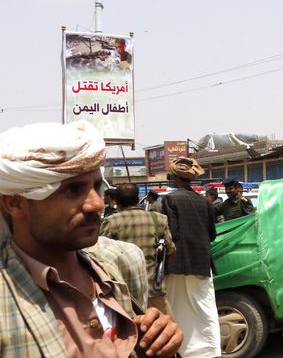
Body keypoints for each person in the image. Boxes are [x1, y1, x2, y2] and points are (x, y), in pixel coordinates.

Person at [0, 121, 182, 357]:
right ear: (15, 203)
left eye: (96, 186)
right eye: (72, 190)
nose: (97, 204)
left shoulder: (118, 263)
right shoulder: (6, 302)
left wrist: (159, 340)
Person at [159, 157, 220, 357]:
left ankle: (182, 350)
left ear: (175, 178)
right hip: (202, 262)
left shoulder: (170, 199)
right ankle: (210, 351)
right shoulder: (205, 202)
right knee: (205, 307)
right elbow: (212, 234)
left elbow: (172, 233)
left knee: (176, 307)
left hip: (177, 262)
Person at [101, 183, 176, 314]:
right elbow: (170, 250)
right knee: (163, 330)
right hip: (154, 289)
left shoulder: (111, 222)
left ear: (117, 201)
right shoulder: (158, 219)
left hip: (123, 294)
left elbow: (100, 256)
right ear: (138, 199)